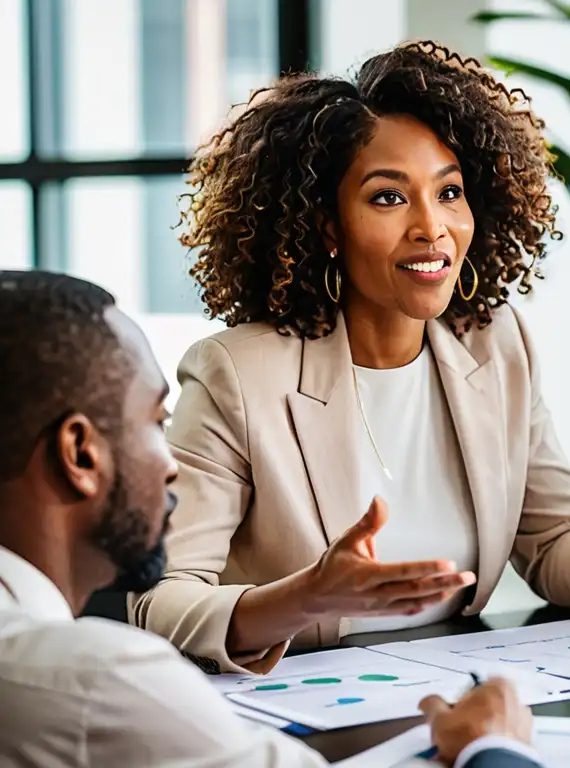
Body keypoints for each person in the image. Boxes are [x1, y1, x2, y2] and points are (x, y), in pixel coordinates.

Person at [128, 39, 570, 675]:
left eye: (450, 192)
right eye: (389, 197)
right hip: (302, 716)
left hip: (459, 697)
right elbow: (159, 606)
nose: (433, 228)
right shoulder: (238, 374)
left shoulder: (495, 343)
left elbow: (554, 552)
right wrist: (306, 596)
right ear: (327, 227)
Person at [0, 270, 542, 768]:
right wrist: (491, 749)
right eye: (155, 421)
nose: (171, 465)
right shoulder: (99, 684)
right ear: (79, 454)